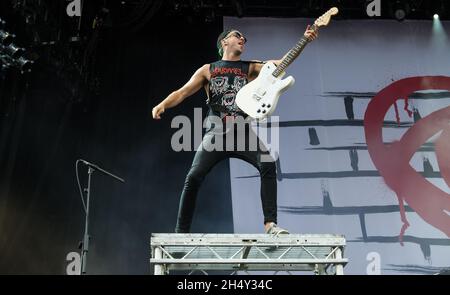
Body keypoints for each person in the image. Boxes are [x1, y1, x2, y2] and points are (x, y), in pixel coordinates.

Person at [152, 26, 318, 235]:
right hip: (216, 131)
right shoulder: (208, 69)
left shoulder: (249, 67)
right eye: (238, 35)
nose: (243, 39)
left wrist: (304, 40)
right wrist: (163, 104)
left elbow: (282, 63)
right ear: (224, 42)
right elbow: (182, 92)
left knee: (267, 164)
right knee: (193, 177)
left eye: (244, 38)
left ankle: (270, 225)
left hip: (241, 131)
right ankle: (181, 232)